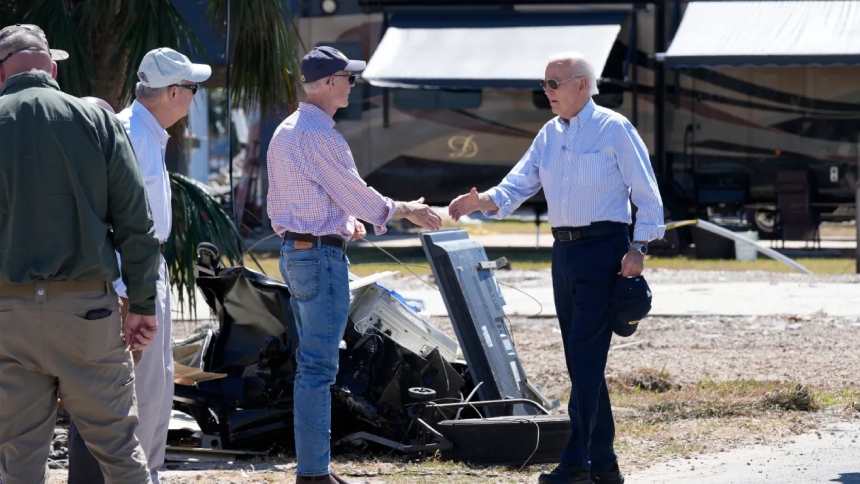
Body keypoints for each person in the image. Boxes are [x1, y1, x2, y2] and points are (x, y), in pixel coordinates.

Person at [448, 51, 665, 484]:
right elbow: (517, 184)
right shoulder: (549, 134)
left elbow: (648, 195)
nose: (545, 91)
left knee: (584, 361)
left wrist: (638, 248)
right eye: (544, 83)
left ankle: (575, 463)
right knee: (580, 361)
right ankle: (604, 466)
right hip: (563, 254)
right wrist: (479, 201)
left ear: (581, 84)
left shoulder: (614, 128)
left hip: (606, 252)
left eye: (553, 83)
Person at [266, 46, 443, 483]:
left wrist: (343, 223)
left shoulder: (287, 129)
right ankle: (312, 473)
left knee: (313, 365)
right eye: (348, 77)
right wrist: (407, 210)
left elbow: (309, 197)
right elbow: (358, 195)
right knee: (319, 369)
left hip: (299, 252)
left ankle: (313, 469)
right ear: (329, 82)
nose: (352, 84)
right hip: (319, 258)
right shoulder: (319, 134)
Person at [0, 24, 160, 484]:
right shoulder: (96, 119)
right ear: (52, 68)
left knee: (18, 458)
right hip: (87, 313)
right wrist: (143, 305)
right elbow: (136, 221)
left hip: (9, 313)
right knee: (118, 450)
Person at [69, 48, 211, 484]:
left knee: (157, 383)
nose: (194, 97)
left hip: (144, 269)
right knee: (143, 388)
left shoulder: (144, 133)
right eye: (192, 88)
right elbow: (117, 221)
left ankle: (145, 473)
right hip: (135, 274)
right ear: (172, 92)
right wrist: (132, 293)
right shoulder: (133, 133)